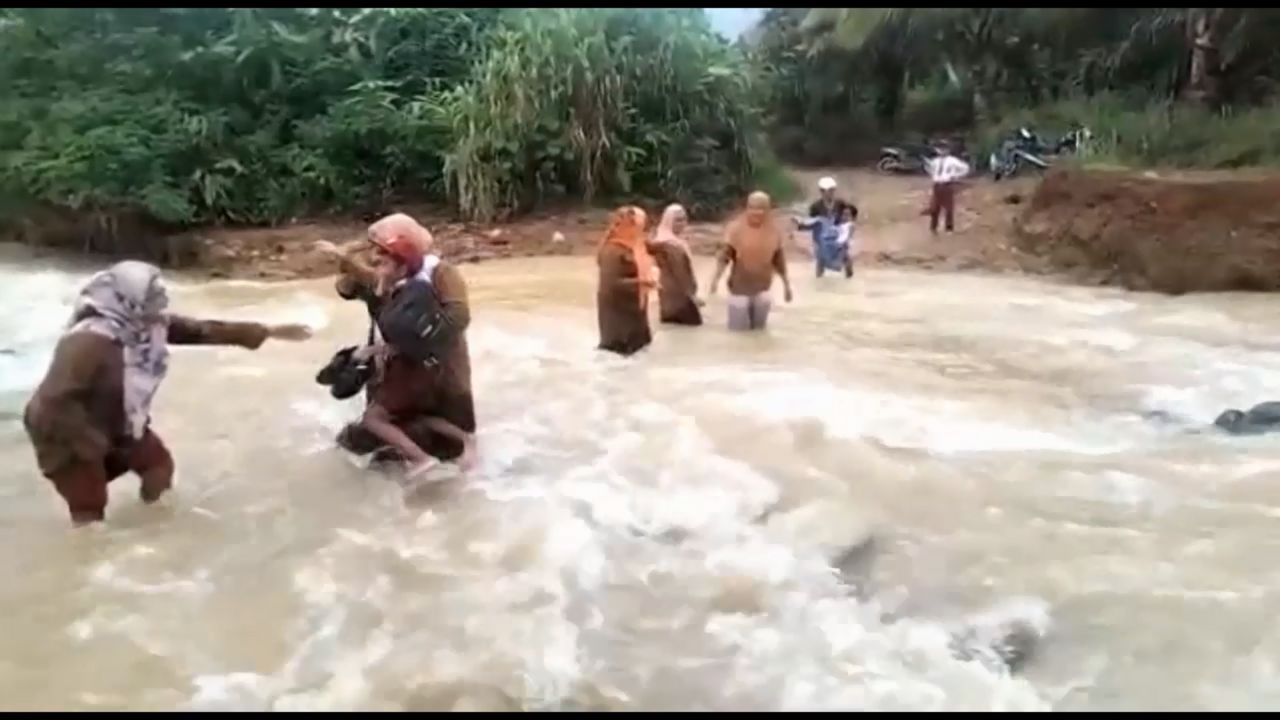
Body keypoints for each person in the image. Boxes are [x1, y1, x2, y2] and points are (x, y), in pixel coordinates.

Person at [22, 260, 312, 526]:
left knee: (158, 466)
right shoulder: (87, 341)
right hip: (65, 433)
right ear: (125, 298)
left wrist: (272, 331)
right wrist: (91, 444)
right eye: (150, 293)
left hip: (117, 422)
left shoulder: (147, 326)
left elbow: (203, 330)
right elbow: (50, 403)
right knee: (89, 508)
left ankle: (153, 532)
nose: (159, 298)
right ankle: (89, 566)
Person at [318, 213, 477, 471]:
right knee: (372, 444)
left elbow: (458, 316)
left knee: (439, 443)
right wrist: (349, 257)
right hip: (397, 369)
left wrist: (417, 346)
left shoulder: (440, 274)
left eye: (378, 248)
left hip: (436, 370)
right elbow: (347, 287)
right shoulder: (389, 274)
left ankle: (439, 457)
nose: (373, 255)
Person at [709, 191, 793, 331]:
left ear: (768, 210)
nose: (756, 212)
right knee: (737, 333)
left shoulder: (774, 232)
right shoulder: (735, 230)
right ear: (747, 208)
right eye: (752, 207)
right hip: (739, 291)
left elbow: (780, 262)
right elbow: (724, 258)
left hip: (762, 290)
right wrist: (715, 281)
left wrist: (787, 286)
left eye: (761, 208)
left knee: (759, 332)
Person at [596, 205, 657, 356]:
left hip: (635, 309)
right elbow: (611, 284)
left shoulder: (635, 246)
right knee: (618, 355)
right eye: (638, 226)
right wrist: (641, 283)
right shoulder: (613, 251)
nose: (642, 230)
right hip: (617, 313)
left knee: (639, 352)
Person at [647, 203, 702, 326]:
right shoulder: (669, 244)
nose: (682, 223)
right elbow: (680, 273)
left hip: (670, 298)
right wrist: (692, 296)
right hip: (678, 297)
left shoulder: (674, 241)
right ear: (668, 221)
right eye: (677, 220)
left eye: (684, 219)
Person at [797, 176, 857, 278]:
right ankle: (819, 280)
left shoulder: (840, 203)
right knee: (821, 261)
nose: (831, 193)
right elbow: (812, 222)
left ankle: (849, 278)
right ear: (822, 191)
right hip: (822, 237)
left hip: (837, 234)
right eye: (828, 190)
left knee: (847, 259)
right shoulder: (815, 206)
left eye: (832, 190)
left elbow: (849, 214)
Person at [925, 140, 970, 234]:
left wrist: (955, 175)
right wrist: (933, 175)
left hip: (947, 185)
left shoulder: (952, 160)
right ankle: (933, 228)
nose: (941, 151)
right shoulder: (935, 161)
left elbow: (965, 168)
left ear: (948, 150)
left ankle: (949, 228)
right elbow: (929, 169)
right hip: (937, 185)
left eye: (944, 149)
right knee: (934, 207)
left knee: (948, 208)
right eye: (940, 149)